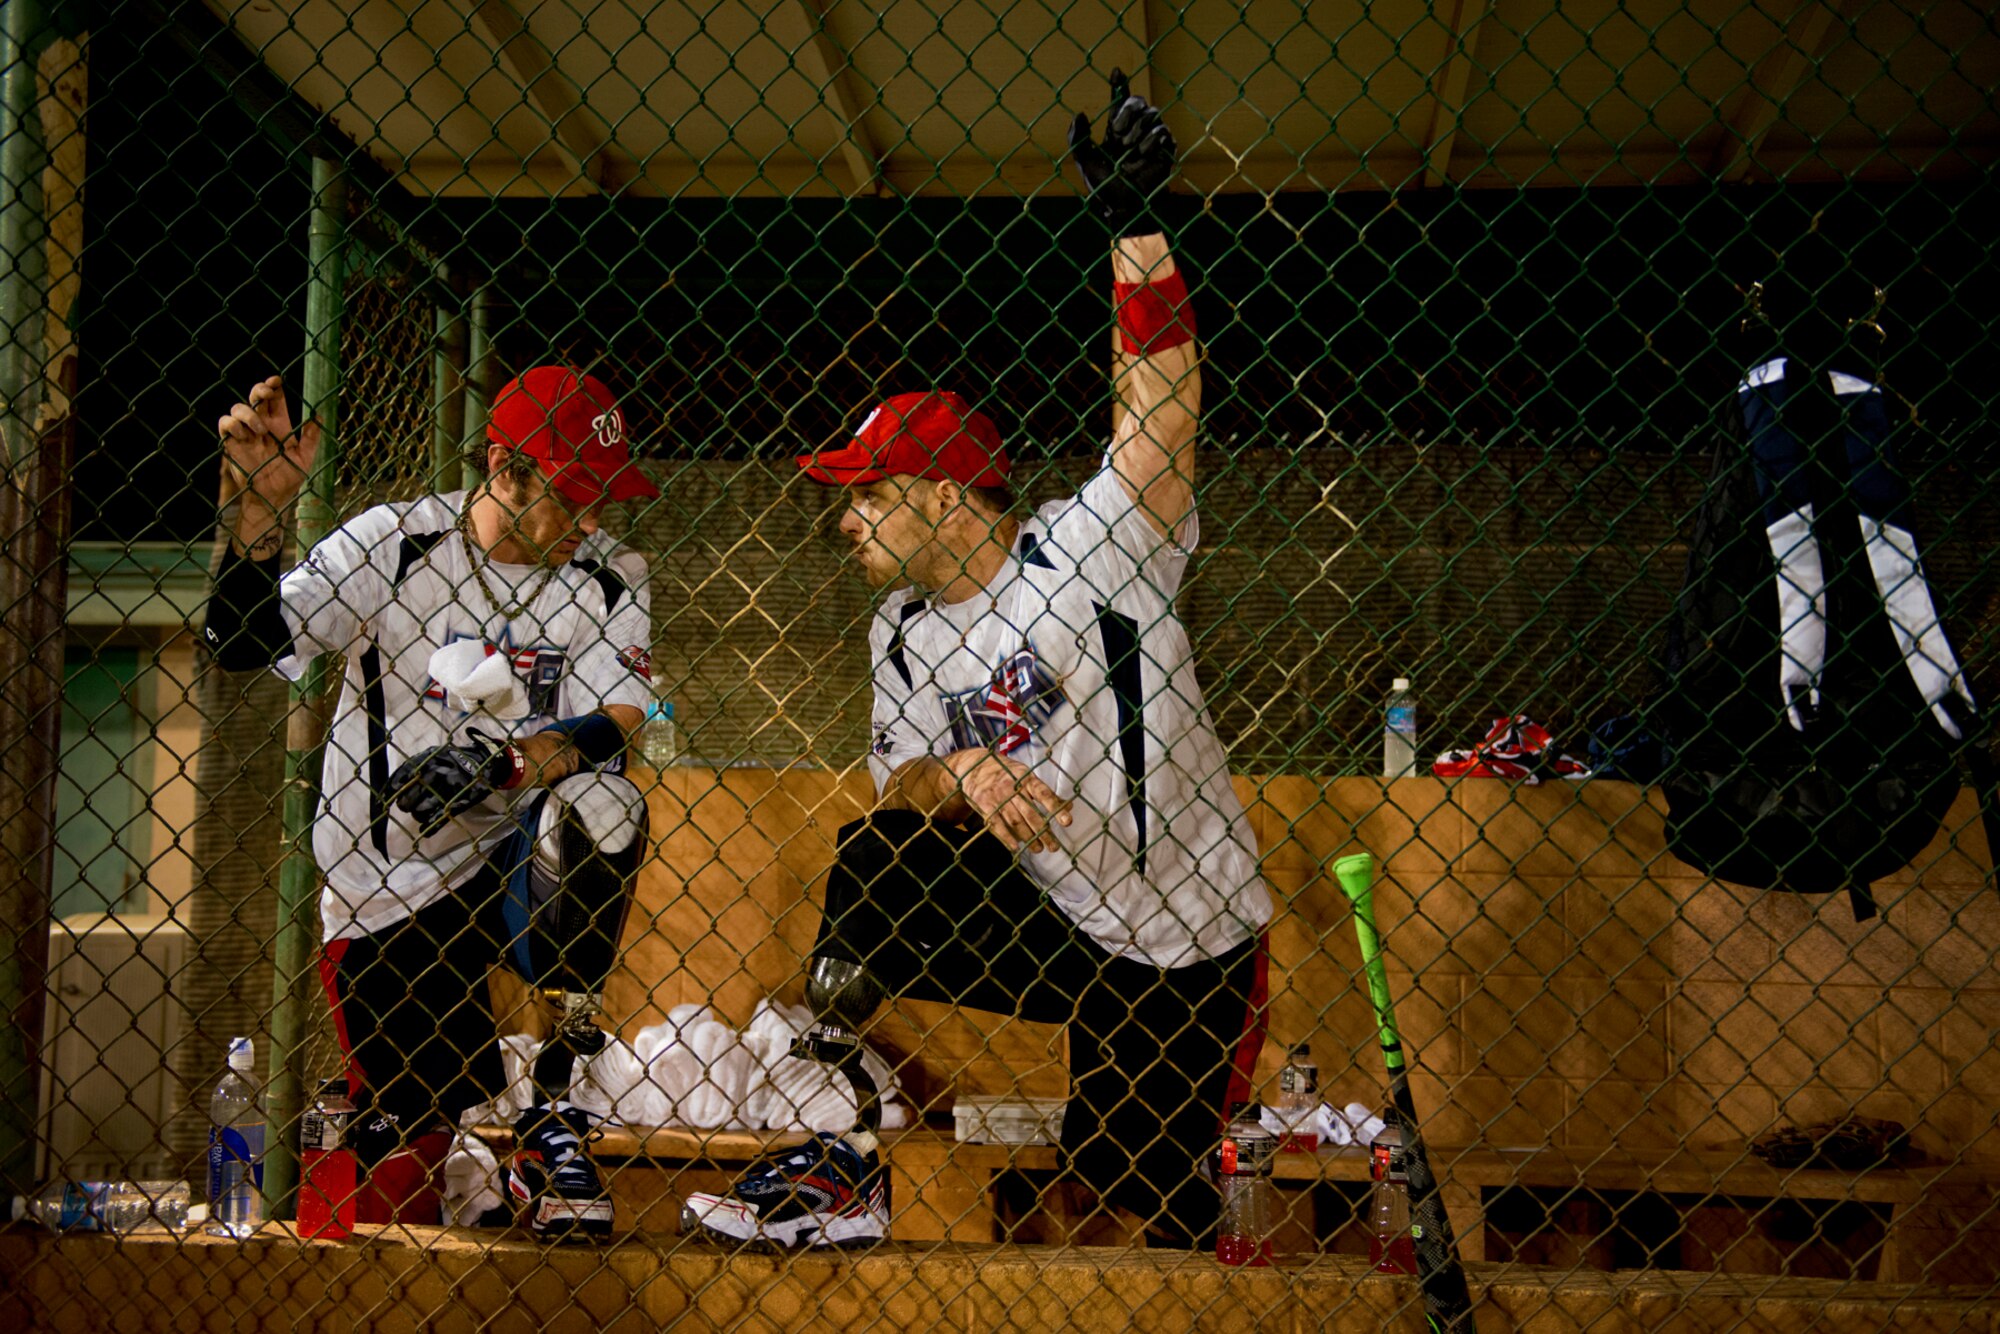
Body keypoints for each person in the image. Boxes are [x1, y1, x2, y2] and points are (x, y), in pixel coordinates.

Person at [682, 70, 1272, 1251]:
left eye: (871, 494)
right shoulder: (900, 629)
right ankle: (834, 1111)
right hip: (1062, 920)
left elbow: (1160, 415)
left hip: (1191, 936)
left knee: (1136, 1209)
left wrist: (1135, 229)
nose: (847, 518)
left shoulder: (1090, 543)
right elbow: (899, 779)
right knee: (877, 853)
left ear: (948, 496)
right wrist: (963, 772)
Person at [201, 365, 659, 1241]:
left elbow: (621, 719)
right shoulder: (397, 542)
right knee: (408, 1133)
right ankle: (451, 1172)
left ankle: (552, 1101)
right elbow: (241, 640)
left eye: (605, 495)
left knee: (605, 805)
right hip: (390, 879)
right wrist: (258, 514)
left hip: (514, 858)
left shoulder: (608, 571)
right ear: (505, 469)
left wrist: (512, 762)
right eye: (574, 494)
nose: (594, 517)